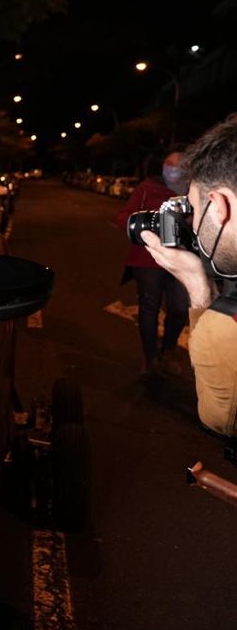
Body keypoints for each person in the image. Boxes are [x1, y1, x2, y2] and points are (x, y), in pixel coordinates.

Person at [141, 118, 237, 436]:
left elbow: (220, 419)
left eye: (194, 210)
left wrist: (198, 286)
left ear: (220, 206)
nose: (191, 225)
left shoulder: (224, 328)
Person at [114, 148, 191, 376]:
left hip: (180, 260)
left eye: (179, 166)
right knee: (150, 308)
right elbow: (122, 216)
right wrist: (147, 224)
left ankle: (167, 350)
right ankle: (150, 359)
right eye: (169, 165)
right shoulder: (147, 188)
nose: (173, 171)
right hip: (147, 260)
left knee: (179, 308)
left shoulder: (193, 190)